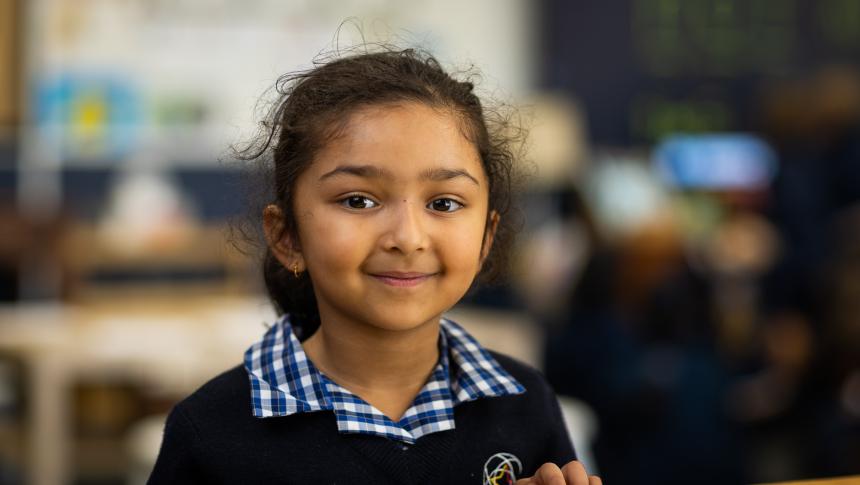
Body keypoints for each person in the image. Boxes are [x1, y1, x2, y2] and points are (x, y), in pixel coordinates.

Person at [148, 47, 600, 485]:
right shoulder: (212, 432)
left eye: (444, 203)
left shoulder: (523, 404)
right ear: (287, 236)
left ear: (485, 237)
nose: (407, 238)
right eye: (358, 200)